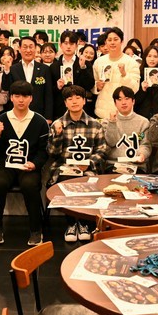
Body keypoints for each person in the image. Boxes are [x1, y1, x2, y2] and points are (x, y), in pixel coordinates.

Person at [0, 80, 51, 245]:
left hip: (29, 166)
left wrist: (35, 164)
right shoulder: (0, 120)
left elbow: (44, 151)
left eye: (25, 96)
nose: (21, 100)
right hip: (6, 166)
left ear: (31, 98)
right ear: (11, 98)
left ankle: (36, 230)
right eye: (17, 96)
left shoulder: (40, 121)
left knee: (30, 185)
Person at [47, 85, 109, 243]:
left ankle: (83, 224)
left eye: (78, 98)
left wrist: (88, 163)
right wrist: (58, 135)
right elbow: (52, 153)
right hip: (63, 169)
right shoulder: (58, 124)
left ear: (84, 101)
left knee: (87, 181)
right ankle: (71, 224)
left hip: (87, 169)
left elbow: (102, 151)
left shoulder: (95, 124)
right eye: (70, 99)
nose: (74, 101)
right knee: (66, 180)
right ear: (65, 103)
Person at [2, 37, 55, 121]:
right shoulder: (13, 68)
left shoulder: (44, 69)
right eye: (25, 47)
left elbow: (48, 94)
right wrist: (7, 70)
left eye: (31, 47)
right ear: (19, 49)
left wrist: (48, 117)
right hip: (17, 114)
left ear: (35, 48)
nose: (28, 50)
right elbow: (5, 87)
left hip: (39, 114)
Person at [92, 27, 140, 119]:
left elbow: (135, 88)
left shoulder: (131, 62)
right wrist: (97, 87)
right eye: (109, 40)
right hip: (102, 112)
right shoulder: (99, 62)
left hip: (123, 113)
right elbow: (93, 86)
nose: (112, 42)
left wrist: (124, 74)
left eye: (115, 39)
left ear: (122, 41)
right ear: (106, 42)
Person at [103, 86, 152, 173]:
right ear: (115, 103)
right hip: (113, 164)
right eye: (119, 99)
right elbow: (111, 142)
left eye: (127, 98)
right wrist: (113, 122)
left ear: (133, 101)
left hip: (136, 165)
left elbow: (144, 144)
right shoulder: (107, 121)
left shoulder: (143, 122)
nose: (123, 102)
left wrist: (142, 155)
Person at [52, 31, 94, 119]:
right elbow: (50, 91)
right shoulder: (54, 66)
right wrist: (58, 87)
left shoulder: (85, 63)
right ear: (60, 45)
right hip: (60, 110)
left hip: (81, 109)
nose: (68, 46)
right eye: (65, 43)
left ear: (76, 45)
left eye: (71, 44)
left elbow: (90, 85)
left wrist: (83, 68)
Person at [134, 46, 158, 119]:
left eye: (155, 57)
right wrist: (142, 90)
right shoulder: (138, 74)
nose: (152, 59)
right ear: (145, 57)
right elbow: (134, 101)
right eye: (149, 56)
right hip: (141, 115)